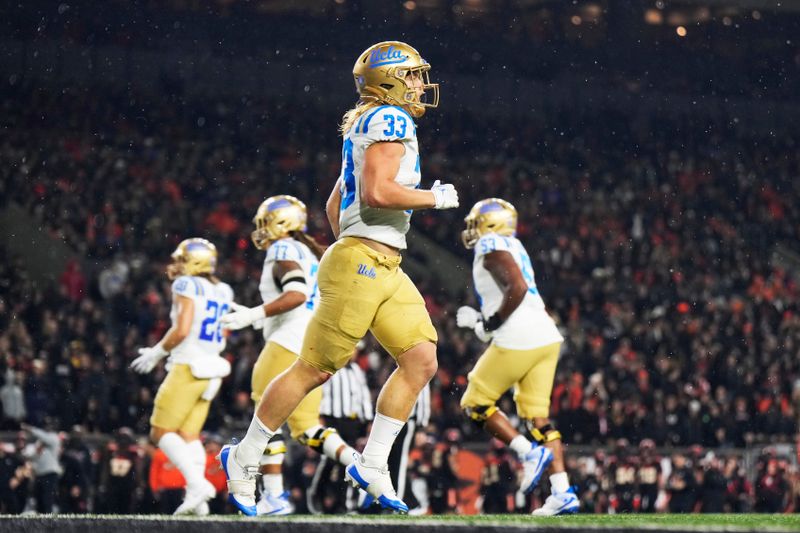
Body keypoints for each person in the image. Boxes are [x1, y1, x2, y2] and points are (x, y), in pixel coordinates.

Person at [218, 40, 458, 516]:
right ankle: (243, 458)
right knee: (314, 369)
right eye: (411, 75)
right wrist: (435, 199)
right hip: (365, 262)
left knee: (421, 359)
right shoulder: (391, 119)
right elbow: (376, 191)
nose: (418, 84)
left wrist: (353, 245)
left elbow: (335, 204)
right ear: (389, 80)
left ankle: (372, 463)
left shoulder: (369, 121)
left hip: (382, 263)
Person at [220, 195, 357, 515]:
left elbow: (296, 293)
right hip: (312, 344)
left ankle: (274, 495)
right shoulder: (312, 252)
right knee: (307, 427)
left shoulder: (282, 249)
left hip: (285, 345)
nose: (262, 230)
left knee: (265, 419)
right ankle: (363, 467)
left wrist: (253, 315)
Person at [455, 198, 578, 515]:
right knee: (539, 420)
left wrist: (492, 323)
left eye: (476, 222)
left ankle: (527, 453)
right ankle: (562, 491)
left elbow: (517, 287)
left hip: (520, 335)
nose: (472, 229)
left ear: (489, 223)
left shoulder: (490, 244)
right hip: (546, 335)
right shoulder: (514, 244)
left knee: (475, 403)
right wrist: (485, 324)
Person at [130, 238, 233, 515]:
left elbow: (183, 328)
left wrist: (156, 352)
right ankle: (198, 504)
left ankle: (196, 485)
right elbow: (224, 331)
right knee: (189, 435)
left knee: (160, 432)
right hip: (213, 367)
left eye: (181, 259)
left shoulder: (185, 284)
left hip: (188, 366)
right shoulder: (223, 289)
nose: (175, 265)